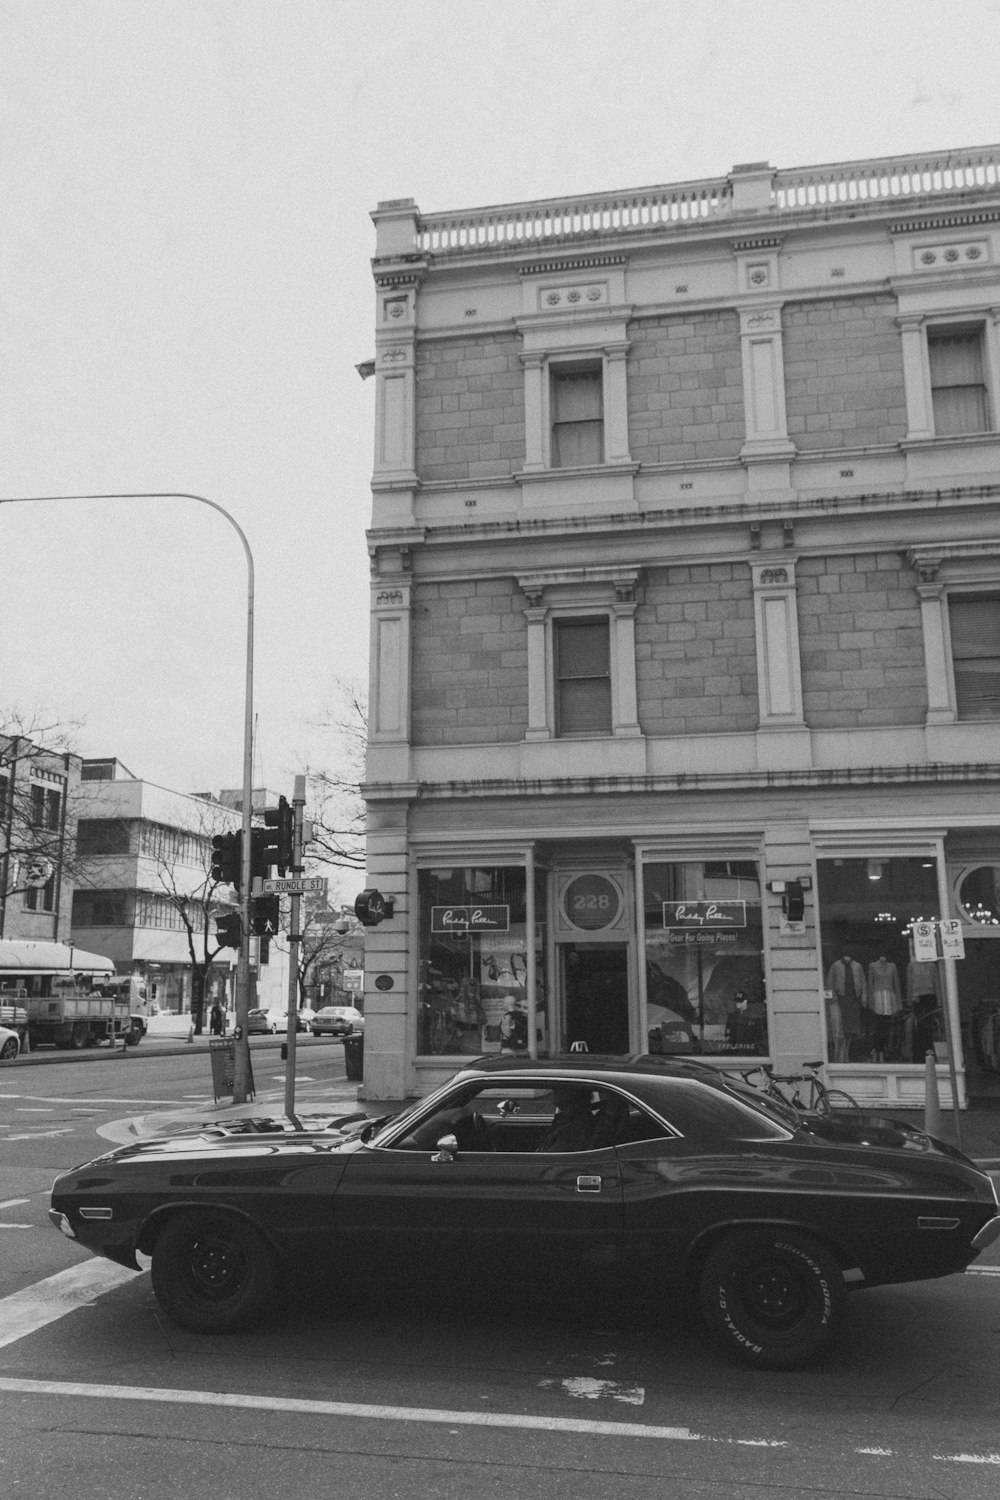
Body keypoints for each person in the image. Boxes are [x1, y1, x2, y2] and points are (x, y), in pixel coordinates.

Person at [536, 1087, 597, 1152]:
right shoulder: (566, 1118)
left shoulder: (573, 1126)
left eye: (557, 1090)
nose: (553, 1092)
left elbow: (552, 1156)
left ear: (571, 1094)